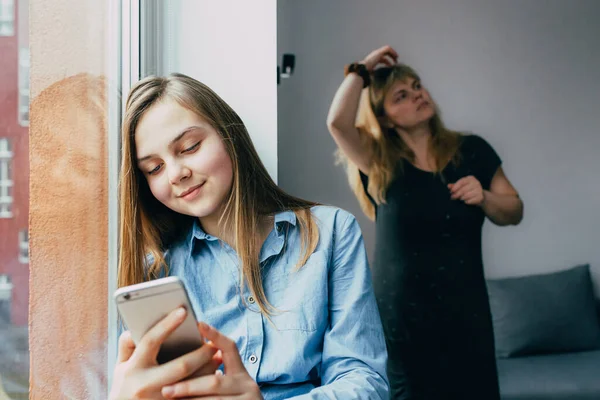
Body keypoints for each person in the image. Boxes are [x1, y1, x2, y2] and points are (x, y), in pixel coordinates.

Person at [109, 73, 389, 400]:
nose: (175, 174)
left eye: (189, 147)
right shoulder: (154, 273)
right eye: (154, 168)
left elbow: (365, 382)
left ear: (230, 136)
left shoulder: (330, 232)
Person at [326, 45, 524, 399]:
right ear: (385, 117)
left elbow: (515, 210)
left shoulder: (472, 151)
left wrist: (486, 197)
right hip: (403, 323)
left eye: (417, 86)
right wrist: (363, 69)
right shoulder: (379, 163)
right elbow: (337, 122)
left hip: (467, 314)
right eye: (402, 95)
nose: (418, 95)